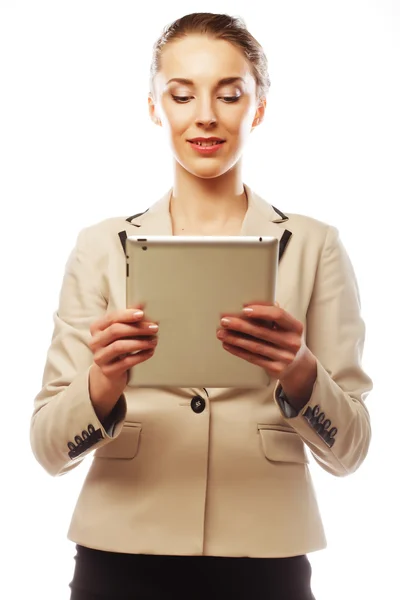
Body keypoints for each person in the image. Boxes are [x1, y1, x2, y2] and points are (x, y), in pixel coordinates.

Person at [30, 12, 373, 600]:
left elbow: (352, 449)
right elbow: (46, 448)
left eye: (230, 94)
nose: (206, 115)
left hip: (267, 551)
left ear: (258, 107)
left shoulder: (316, 246)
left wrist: (299, 370)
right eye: (182, 94)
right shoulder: (101, 245)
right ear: (153, 106)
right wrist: (103, 383)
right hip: (121, 550)